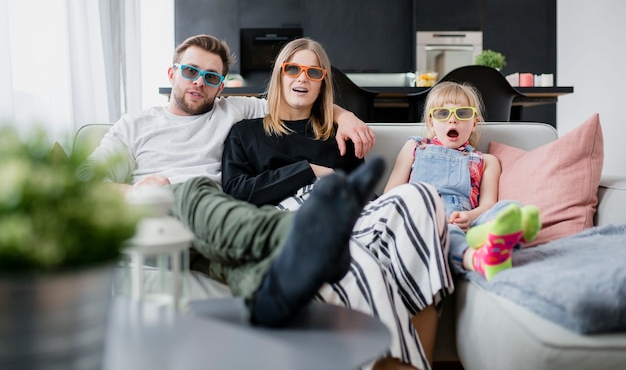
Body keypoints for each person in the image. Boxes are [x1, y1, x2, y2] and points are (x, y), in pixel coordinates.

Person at [79, 33, 385, 327]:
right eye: (190, 71)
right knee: (193, 189)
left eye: (211, 77)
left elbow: (298, 98)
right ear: (172, 74)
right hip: (160, 214)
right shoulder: (135, 125)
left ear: (221, 86)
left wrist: (346, 117)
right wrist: (134, 191)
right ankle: (296, 234)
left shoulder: (234, 110)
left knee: (251, 274)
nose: (199, 81)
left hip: (214, 230)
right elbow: (85, 180)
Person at [221, 37, 454, 369]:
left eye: (313, 73)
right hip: (293, 219)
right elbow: (236, 190)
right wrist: (309, 170)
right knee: (360, 264)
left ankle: (420, 360)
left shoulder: (339, 134)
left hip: (351, 215)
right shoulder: (245, 132)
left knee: (423, 197)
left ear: (321, 84)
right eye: (293, 70)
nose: (302, 78)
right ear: (279, 75)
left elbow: (362, 195)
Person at [384, 81, 542, 281]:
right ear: (431, 122)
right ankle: (480, 257)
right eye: (443, 114)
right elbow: (390, 195)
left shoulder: (486, 161)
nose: (453, 121)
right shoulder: (415, 147)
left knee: (508, 208)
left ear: (474, 122)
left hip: (469, 220)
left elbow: (488, 204)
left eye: (463, 113)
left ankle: (497, 233)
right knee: (447, 232)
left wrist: (469, 216)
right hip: (427, 219)